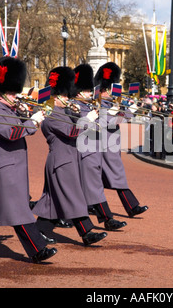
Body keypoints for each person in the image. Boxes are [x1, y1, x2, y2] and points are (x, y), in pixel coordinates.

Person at [0, 56, 56, 263]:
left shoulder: (8, 110)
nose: (16, 96)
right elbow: (12, 134)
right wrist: (32, 121)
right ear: (0, 93)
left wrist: (26, 115)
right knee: (18, 209)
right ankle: (37, 249)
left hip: (11, 167)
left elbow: (20, 129)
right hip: (4, 169)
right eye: (12, 93)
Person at [31, 66, 108, 246]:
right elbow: (72, 132)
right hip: (61, 161)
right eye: (64, 96)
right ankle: (87, 231)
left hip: (67, 160)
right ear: (54, 96)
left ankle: (40, 230)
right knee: (74, 196)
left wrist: (79, 114)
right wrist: (86, 119)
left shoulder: (64, 112)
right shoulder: (51, 115)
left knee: (51, 200)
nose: (67, 99)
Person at [73, 63, 127, 231]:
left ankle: (52, 219)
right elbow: (93, 127)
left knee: (76, 190)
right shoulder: (75, 108)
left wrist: (123, 112)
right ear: (79, 92)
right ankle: (107, 219)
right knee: (90, 188)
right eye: (88, 91)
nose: (91, 93)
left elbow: (113, 123)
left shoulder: (89, 106)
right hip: (85, 152)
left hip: (94, 151)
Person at [94, 62, 149, 217]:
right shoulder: (98, 103)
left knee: (98, 178)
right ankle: (132, 206)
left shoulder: (112, 102)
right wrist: (119, 114)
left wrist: (130, 110)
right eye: (106, 90)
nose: (109, 93)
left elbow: (122, 120)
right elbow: (110, 123)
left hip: (112, 143)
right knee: (116, 176)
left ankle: (91, 204)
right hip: (105, 144)